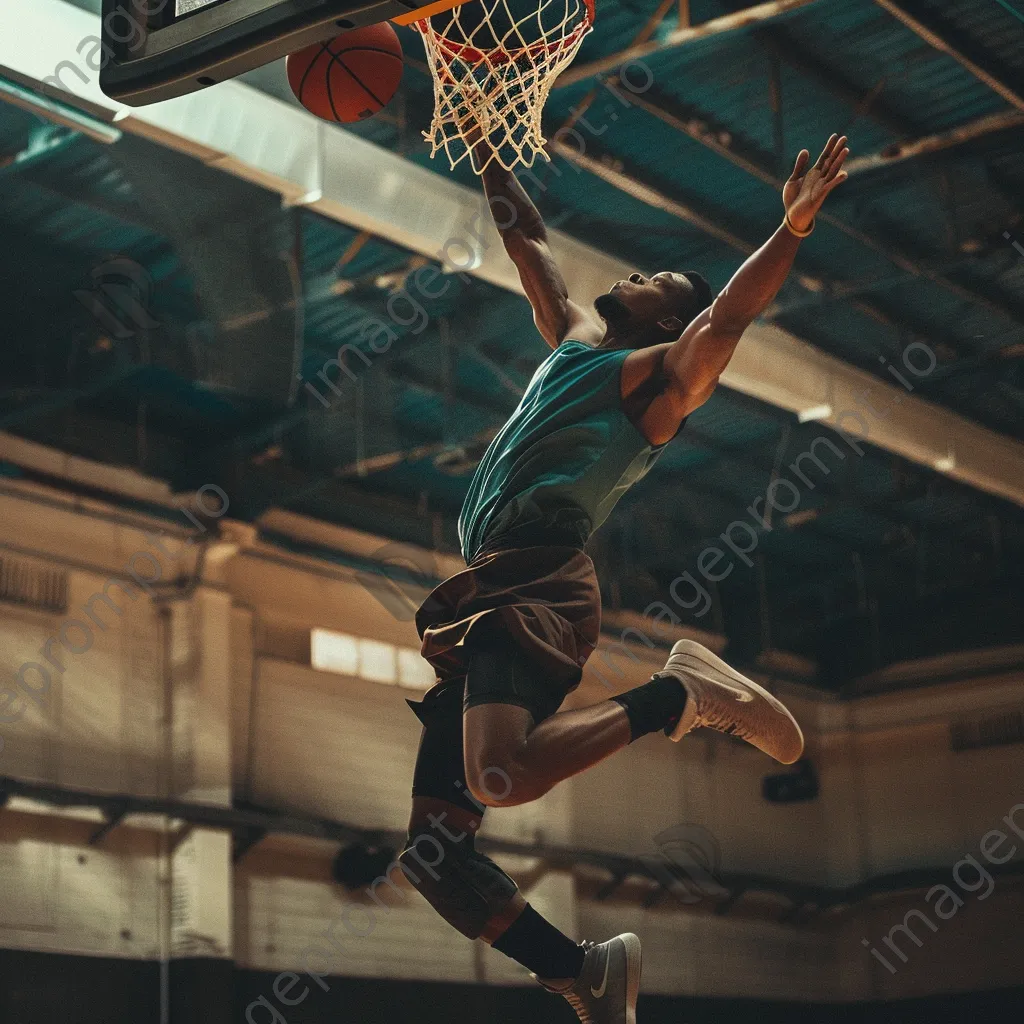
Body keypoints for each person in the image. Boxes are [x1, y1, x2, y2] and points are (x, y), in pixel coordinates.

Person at [399, 135, 850, 1023]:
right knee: (433, 858)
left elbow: (724, 319)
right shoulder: (571, 340)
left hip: (541, 586)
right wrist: (485, 141)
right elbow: (529, 241)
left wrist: (790, 229)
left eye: (653, 278)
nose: (634, 274)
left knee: (499, 777)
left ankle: (672, 695)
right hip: (494, 584)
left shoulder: (655, 382)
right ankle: (580, 973)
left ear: (662, 319)